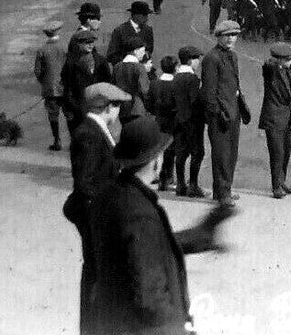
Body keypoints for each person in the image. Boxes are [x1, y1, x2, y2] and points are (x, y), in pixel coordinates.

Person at [88, 117, 236, 335]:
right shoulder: (139, 213)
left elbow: (142, 248)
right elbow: (150, 297)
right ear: (154, 161)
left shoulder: (113, 195)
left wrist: (201, 235)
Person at [64, 82, 129, 335]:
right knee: (97, 274)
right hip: (96, 218)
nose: (119, 112)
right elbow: (85, 183)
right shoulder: (88, 134)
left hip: (97, 216)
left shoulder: (94, 130)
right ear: (108, 107)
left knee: (100, 274)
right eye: (118, 107)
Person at [202, 20, 248, 205]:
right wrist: (216, 113)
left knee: (231, 153)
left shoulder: (232, 56)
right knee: (221, 154)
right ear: (219, 37)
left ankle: (224, 189)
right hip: (220, 114)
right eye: (227, 35)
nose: (231, 39)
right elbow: (209, 92)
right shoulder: (211, 58)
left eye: (234, 35)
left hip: (233, 111)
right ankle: (222, 193)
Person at [259, 41, 291, 199]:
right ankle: (276, 186)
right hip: (274, 117)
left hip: (286, 116)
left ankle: (281, 180)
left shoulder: (287, 70)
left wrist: (289, 51)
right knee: (277, 152)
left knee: (286, 151)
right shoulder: (272, 70)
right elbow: (268, 65)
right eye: (288, 58)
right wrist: (277, 58)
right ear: (280, 60)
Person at [172, 46, 207, 198]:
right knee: (198, 152)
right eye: (197, 59)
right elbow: (195, 101)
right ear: (190, 60)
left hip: (178, 119)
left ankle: (180, 184)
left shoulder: (176, 77)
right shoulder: (192, 79)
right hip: (192, 121)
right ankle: (193, 185)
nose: (198, 62)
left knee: (181, 152)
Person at [147, 55, 179, 192]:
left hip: (159, 119)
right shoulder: (176, 84)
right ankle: (169, 178)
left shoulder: (155, 83)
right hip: (173, 120)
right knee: (172, 150)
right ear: (175, 68)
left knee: (160, 149)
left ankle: (162, 177)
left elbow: (149, 103)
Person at [34, 20, 66, 151]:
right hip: (65, 87)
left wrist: (44, 82)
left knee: (53, 115)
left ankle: (57, 140)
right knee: (70, 114)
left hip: (50, 89)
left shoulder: (42, 50)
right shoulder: (65, 47)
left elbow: (37, 71)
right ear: (59, 31)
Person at [106, 1, 155, 65]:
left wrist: (146, 56)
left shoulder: (148, 30)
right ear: (136, 15)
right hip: (126, 71)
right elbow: (111, 55)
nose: (147, 18)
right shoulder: (119, 31)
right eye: (144, 15)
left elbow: (150, 49)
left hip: (144, 69)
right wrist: (129, 61)